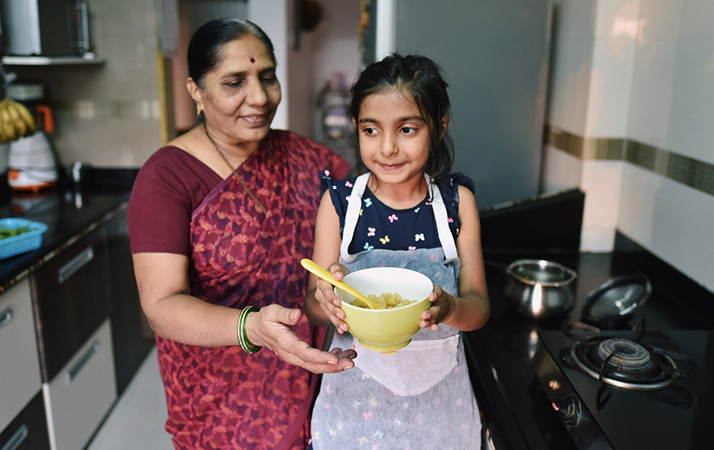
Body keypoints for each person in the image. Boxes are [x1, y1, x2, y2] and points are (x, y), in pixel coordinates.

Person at [128, 18, 357, 450]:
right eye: (235, 82)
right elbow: (161, 304)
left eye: (266, 77)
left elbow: (373, 197)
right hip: (218, 403)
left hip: (308, 377)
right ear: (196, 89)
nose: (259, 97)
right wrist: (252, 328)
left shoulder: (303, 156)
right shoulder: (167, 178)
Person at [304, 53, 490, 448]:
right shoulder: (340, 204)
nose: (387, 148)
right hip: (354, 419)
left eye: (407, 129)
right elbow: (314, 308)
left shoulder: (457, 204)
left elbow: (478, 307)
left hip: (440, 417)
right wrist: (328, 299)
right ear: (356, 128)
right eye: (371, 130)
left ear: (439, 127)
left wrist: (451, 309)